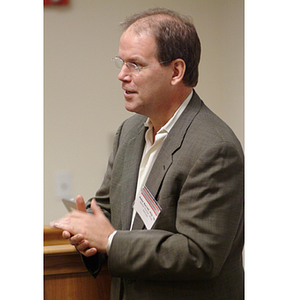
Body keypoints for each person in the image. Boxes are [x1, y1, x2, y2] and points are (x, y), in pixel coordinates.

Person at [51, 8, 244, 300]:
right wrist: (85, 230)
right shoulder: (128, 133)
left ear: (176, 71)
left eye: (135, 65)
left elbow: (199, 254)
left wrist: (111, 241)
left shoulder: (214, 148)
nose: (121, 75)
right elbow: (108, 211)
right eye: (121, 62)